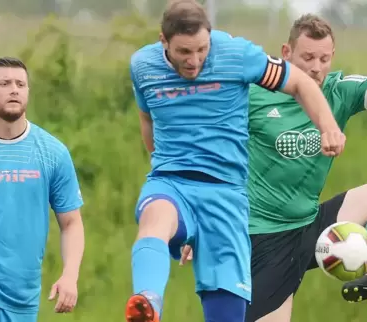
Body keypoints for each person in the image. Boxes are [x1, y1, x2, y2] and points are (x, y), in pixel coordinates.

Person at [180, 14, 367, 322]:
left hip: (309, 226)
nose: (316, 67)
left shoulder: (337, 91)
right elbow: (208, 156)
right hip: (260, 239)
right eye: (308, 57)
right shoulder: (252, 95)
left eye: (324, 58)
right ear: (286, 54)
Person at [124, 1, 347, 322]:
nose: (194, 60)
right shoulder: (143, 65)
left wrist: (328, 126)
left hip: (225, 195)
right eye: (184, 52)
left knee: (227, 312)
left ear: (211, 37)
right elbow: (148, 120)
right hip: (172, 181)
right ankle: (147, 304)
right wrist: (158, 167)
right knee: (155, 218)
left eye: (201, 49)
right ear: (164, 42)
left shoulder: (237, 55)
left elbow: (298, 82)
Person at [0, 57, 85, 321]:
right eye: (4, 83)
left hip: (22, 295)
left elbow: (71, 223)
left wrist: (70, 276)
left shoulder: (52, 152)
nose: (14, 89)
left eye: (20, 84)